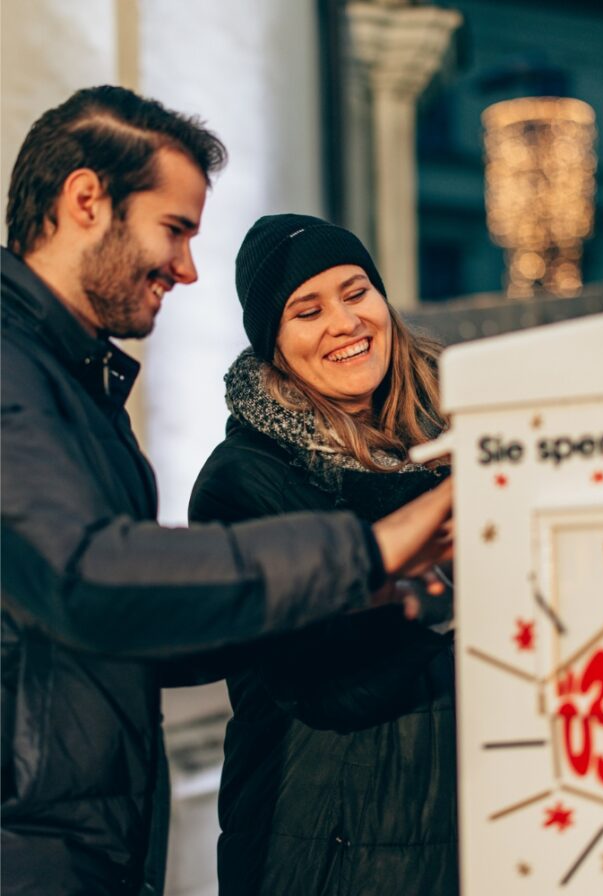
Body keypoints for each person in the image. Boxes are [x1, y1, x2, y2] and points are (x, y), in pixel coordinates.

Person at [0, 87, 454, 894]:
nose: (186, 267)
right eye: (174, 230)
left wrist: (393, 589)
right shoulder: (14, 368)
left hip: (86, 843)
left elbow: (156, 638)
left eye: (356, 293)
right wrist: (376, 554)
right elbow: (89, 576)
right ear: (85, 201)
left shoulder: (74, 381)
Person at [184, 215, 459, 894]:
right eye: (307, 310)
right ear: (274, 344)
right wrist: (453, 576)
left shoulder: (464, 431)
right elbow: (323, 673)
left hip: (468, 823)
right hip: (325, 844)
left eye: (356, 290)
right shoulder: (243, 480)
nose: (345, 321)